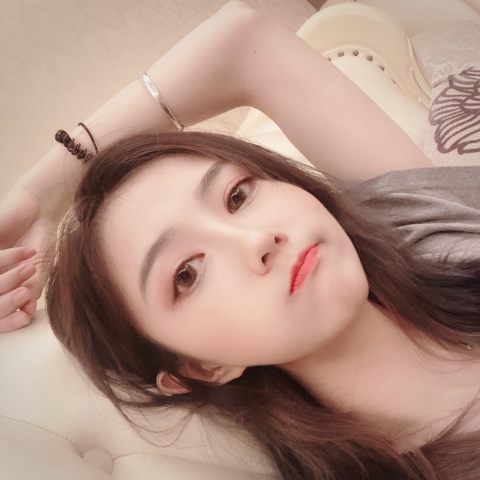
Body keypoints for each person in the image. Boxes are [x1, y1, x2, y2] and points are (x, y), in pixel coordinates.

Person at [1, 2, 479, 478]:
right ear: (199, 369)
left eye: (237, 196)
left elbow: (243, 42)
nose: (256, 240)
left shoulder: (422, 224)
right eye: (186, 274)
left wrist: (43, 196)